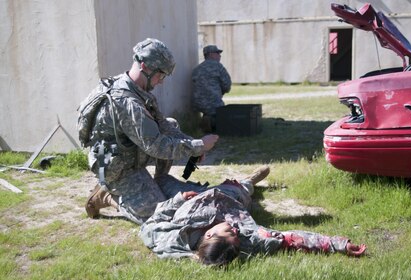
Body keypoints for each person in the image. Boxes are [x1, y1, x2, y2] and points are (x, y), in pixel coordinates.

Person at [80, 38, 219, 224]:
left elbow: (163, 125)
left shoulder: (135, 89)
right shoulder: (127, 103)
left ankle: (158, 181)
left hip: (127, 153)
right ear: (145, 67)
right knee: (157, 214)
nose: (161, 82)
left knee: (173, 125)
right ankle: (105, 196)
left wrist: (193, 146)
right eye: (160, 75)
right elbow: (157, 146)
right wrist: (198, 145)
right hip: (113, 167)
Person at [140, 166, 366, 266]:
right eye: (235, 234)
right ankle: (249, 182)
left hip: (189, 199)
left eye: (229, 231)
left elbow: (149, 226)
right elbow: (288, 238)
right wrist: (336, 245)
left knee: (163, 182)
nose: (235, 230)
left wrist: (177, 200)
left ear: (209, 235)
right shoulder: (250, 239)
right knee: (241, 190)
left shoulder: (176, 238)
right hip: (231, 199)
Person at [191, 45, 232, 132]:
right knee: (223, 118)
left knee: (209, 110)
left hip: (197, 103)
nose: (219, 55)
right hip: (213, 103)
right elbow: (227, 85)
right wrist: (222, 92)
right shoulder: (218, 67)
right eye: (217, 53)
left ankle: (206, 120)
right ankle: (211, 122)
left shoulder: (197, 69)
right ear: (210, 54)